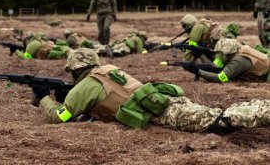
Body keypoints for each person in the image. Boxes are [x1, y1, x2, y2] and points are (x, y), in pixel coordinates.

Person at [31, 48, 270, 133]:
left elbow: (59, 117)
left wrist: (44, 98)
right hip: (165, 100)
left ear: (74, 70)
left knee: (219, 120)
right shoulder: (108, 69)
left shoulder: (82, 88)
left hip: (162, 112)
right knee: (213, 114)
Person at [196, 38, 270, 83]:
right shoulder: (235, 53)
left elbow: (221, 78)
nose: (218, 56)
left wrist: (198, 71)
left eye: (220, 54)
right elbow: (216, 67)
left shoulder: (238, 61)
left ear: (227, 53)